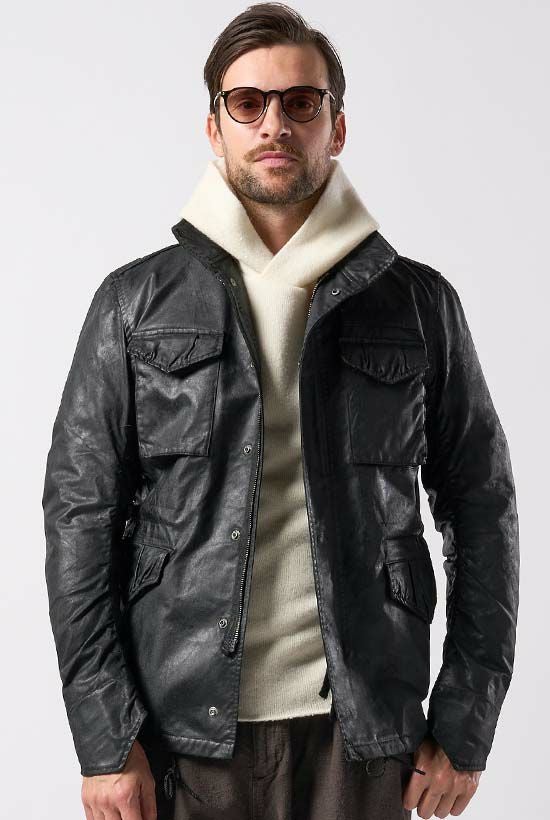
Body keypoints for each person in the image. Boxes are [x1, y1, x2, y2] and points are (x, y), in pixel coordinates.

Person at [42, 4, 520, 819]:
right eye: (247, 103)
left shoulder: (418, 305)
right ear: (214, 127)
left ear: (337, 126)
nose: (274, 124)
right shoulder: (133, 303)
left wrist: (467, 721)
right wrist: (104, 735)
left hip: (364, 734)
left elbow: (483, 510)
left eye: (301, 102)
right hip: (183, 734)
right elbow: (78, 518)